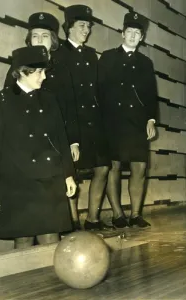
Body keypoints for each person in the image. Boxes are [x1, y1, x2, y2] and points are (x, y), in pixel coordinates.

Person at [4, 12, 81, 230]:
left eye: (44, 36)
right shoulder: (15, 73)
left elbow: (70, 108)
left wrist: (73, 142)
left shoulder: (62, 70)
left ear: (53, 40)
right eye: (35, 36)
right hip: (24, 156)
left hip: (53, 147)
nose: (39, 40)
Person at [0, 46, 77, 249]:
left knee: (51, 240)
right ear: (23, 71)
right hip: (17, 182)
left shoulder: (50, 100)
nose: (44, 77)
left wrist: (68, 174)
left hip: (49, 179)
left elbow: (61, 139)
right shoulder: (3, 100)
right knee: (23, 241)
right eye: (39, 72)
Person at [55, 5, 114, 231]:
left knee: (103, 167)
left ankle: (92, 219)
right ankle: (73, 223)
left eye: (88, 26)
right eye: (82, 25)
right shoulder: (58, 54)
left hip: (94, 122)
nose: (86, 30)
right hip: (72, 123)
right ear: (69, 27)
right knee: (72, 172)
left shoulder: (91, 55)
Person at [97, 12, 158, 228]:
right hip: (112, 123)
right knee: (113, 167)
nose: (133, 36)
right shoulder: (107, 57)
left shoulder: (146, 63)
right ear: (122, 33)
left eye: (137, 33)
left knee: (139, 168)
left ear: (142, 37)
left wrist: (151, 119)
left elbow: (151, 95)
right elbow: (99, 91)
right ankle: (117, 214)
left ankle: (135, 214)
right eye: (129, 32)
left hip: (137, 123)